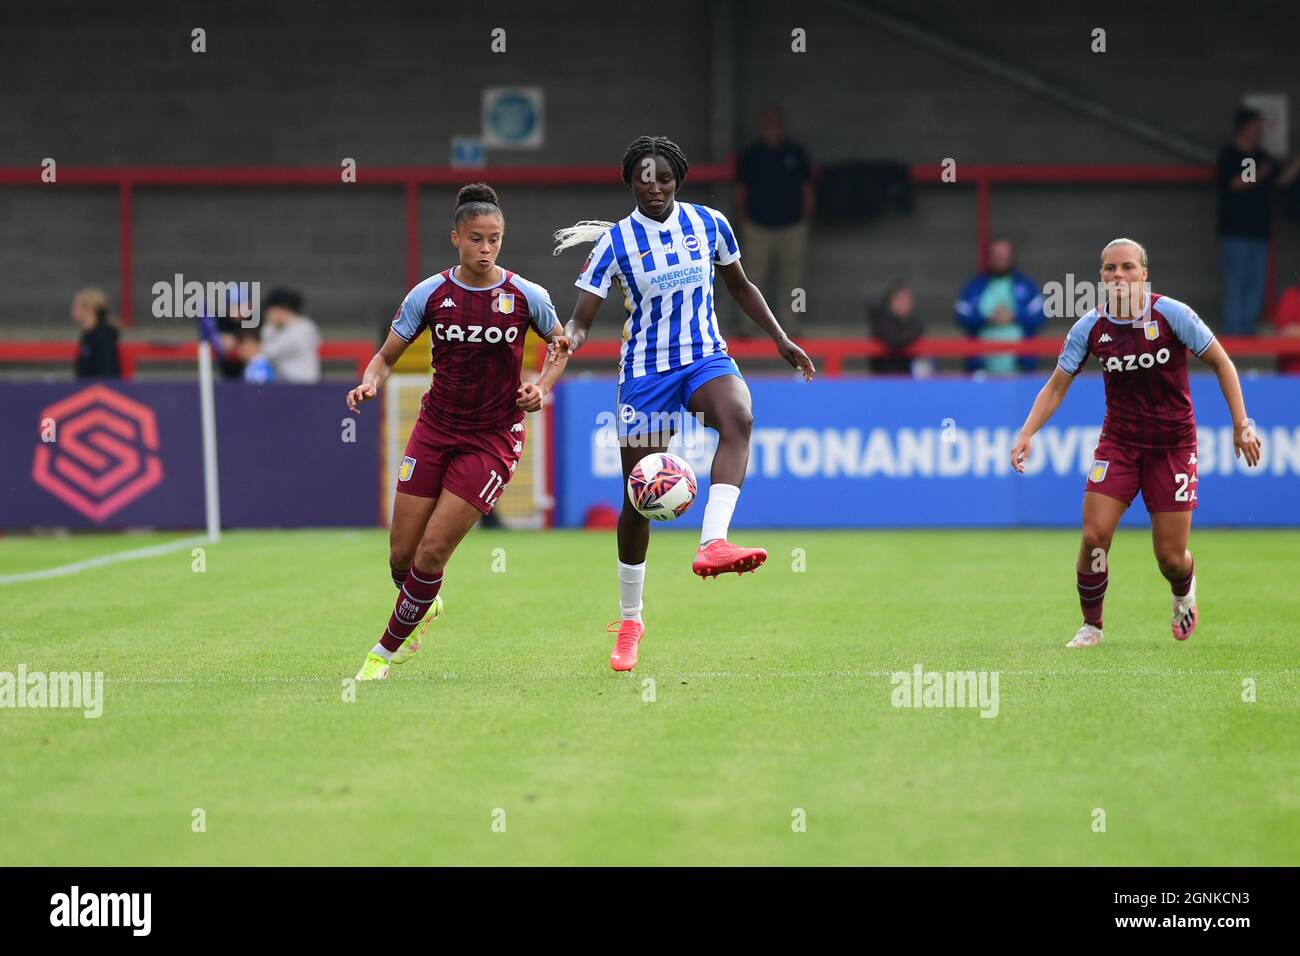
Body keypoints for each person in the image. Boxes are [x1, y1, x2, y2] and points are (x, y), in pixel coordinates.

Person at [551, 135, 815, 672]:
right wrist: (569, 338)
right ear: (630, 183)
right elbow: (582, 317)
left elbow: (740, 286)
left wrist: (780, 339)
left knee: (739, 417)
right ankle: (630, 619)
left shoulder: (710, 224)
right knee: (638, 499)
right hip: (646, 372)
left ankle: (713, 542)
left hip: (703, 357)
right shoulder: (616, 242)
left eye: (664, 177)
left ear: (679, 180)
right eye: (644, 178)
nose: (654, 186)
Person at [346, 184, 570, 681]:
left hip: (492, 438)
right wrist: (369, 382)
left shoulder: (526, 296)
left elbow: (560, 344)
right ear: (455, 238)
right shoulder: (428, 295)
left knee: (432, 551)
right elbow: (385, 357)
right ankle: (424, 601)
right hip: (434, 429)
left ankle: (381, 655)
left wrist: (541, 386)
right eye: (475, 239)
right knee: (402, 557)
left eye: (494, 239)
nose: (486, 249)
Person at [1011, 238, 1261, 649]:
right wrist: (1026, 432)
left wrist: (1242, 423)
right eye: (1110, 269)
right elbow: (1056, 387)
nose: (1119, 276)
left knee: (1170, 557)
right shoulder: (1089, 327)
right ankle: (1092, 626)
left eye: (1128, 267)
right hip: (1119, 445)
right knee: (1094, 537)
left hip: (1173, 447)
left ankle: (1183, 590)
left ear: (1144, 273)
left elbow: (1222, 362)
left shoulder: (1172, 314)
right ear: (1101, 277)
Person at [1216, 107, 1300, 335]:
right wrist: (1261, 173)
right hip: (1235, 232)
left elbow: (1281, 180)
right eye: (1255, 126)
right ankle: (1233, 336)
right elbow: (1236, 184)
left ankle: (1246, 333)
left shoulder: (1261, 156)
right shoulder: (1232, 154)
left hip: (1259, 232)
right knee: (1236, 285)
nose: (1259, 131)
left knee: (1255, 286)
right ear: (1244, 128)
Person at [735, 107, 813, 336]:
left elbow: (807, 188)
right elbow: (741, 190)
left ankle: (792, 325)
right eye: (767, 124)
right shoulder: (751, 154)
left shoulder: (795, 153)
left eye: (775, 124)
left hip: (792, 227)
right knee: (750, 279)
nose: (772, 129)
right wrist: (744, 220)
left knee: (793, 282)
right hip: (758, 227)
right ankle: (747, 327)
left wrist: (804, 220)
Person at [954, 239, 1045, 372]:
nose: (1000, 259)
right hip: (980, 369)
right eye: (996, 255)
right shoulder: (974, 286)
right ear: (989, 257)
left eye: (1004, 255)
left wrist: (1014, 316)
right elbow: (960, 316)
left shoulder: (1026, 285)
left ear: (1011, 257)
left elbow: (1040, 316)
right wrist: (987, 318)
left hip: (1021, 369)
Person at [245, 287, 321, 383]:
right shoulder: (278, 329)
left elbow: (262, 353)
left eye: (269, 310)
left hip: (305, 387)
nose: (267, 314)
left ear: (281, 309)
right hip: (287, 387)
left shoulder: (303, 329)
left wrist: (269, 326)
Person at [867, 283, 923, 375]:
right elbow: (895, 340)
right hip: (886, 378)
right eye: (900, 300)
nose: (904, 304)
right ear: (890, 301)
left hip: (907, 379)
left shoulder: (912, 321)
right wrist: (915, 332)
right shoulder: (882, 320)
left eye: (908, 301)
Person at [70, 288, 121, 378]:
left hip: (99, 389)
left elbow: (108, 371)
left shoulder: (103, 337)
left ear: (88, 310)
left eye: (76, 306)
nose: (73, 310)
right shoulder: (88, 335)